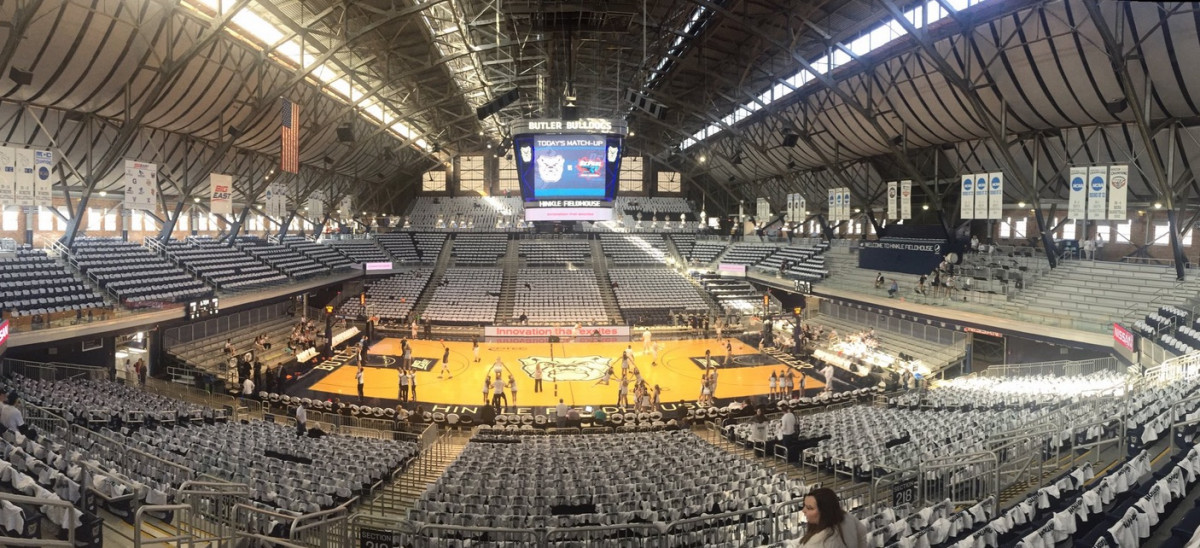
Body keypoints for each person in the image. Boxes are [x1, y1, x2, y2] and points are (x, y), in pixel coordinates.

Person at [797, 487, 868, 547]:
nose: (803, 510)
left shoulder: (818, 543)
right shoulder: (847, 516)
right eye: (804, 506)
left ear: (824, 512)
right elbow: (862, 535)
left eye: (810, 508)